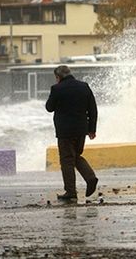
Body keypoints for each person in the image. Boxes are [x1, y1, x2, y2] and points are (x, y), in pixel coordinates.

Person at [45, 65, 99, 200]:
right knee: (75, 156)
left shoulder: (57, 89)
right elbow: (93, 109)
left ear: (58, 77)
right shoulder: (84, 86)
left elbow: (49, 108)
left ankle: (71, 192)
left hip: (65, 131)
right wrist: (92, 129)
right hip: (81, 130)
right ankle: (90, 178)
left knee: (67, 160)